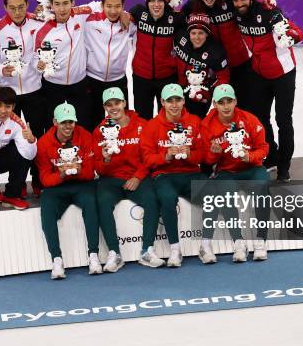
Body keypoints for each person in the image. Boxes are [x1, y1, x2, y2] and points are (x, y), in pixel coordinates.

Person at [229, 0, 303, 182]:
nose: (239, 3)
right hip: (259, 73)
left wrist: (290, 37)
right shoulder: (235, 13)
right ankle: (271, 156)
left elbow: (299, 32)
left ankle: (284, 166)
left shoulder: (268, 11)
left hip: (283, 74)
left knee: (283, 120)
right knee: (260, 119)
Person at [92, 87, 161, 270]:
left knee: (152, 199)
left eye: (117, 103)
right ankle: (114, 253)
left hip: (136, 177)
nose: (114, 108)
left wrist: (138, 177)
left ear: (124, 103)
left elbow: (149, 157)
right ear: (105, 107)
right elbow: (97, 168)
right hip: (111, 179)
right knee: (102, 202)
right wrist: (106, 159)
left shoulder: (142, 125)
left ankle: (147, 250)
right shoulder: (99, 131)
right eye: (109, 105)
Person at [200, 84, 270, 262]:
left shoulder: (249, 119)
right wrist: (214, 153)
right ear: (214, 104)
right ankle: (238, 242)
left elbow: (264, 147)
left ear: (235, 101)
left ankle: (261, 240)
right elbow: (207, 161)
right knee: (225, 191)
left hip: (251, 168)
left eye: (229, 101)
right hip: (227, 171)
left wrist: (251, 156)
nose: (226, 106)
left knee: (263, 186)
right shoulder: (207, 125)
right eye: (221, 102)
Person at [0, 0, 46, 197]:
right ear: (5, 7)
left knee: (36, 136)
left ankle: (39, 180)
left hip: (34, 89)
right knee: (14, 139)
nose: (17, 12)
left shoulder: (37, 22)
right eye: (12, 8)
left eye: (21, 7)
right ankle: (18, 181)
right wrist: (1, 69)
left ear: (27, 5)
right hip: (9, 94)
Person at [140, 83, 203, 267]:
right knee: (167, 199)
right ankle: (175, 249)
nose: (174, 105)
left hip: (191, 172)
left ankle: (206, 245)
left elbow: (203, 155)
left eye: (178, 100)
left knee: (213, 193)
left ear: (184, 101)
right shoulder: (151, 126)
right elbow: (147, 159)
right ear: (162, 102)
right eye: (170, 101)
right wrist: (165, 156)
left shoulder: (194, 121)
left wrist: (190, 154)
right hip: (164, 174)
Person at [36, 102, 100, 279]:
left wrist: (78, 171)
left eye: (71, 122)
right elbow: (45, 179)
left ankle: (93, 255)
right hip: (57, 186)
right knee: (47, 210)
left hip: (81, 184)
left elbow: (90, 173)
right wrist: (62, 175)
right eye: (64, 122)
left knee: (91, 204)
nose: (68, 126)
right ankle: (56, 259)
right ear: (55, 122)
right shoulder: (43, 143)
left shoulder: (85, 136)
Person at [181, 0, 252, 111]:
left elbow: (250, 6)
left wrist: (269, 8)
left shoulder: (229, 0)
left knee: (245, 108)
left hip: (240, 64)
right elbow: (178, 24)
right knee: (203, 109)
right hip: (211, 66)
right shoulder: (192, 6)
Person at [34, 0, 100, 132]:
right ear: (51, 5)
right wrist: (37, 64)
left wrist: (124, 14)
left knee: (84, 126)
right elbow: (33, 56)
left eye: (65, 3)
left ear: (73, 3)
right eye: (57, 4)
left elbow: (99, 4)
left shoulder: (80, 14)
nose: (62, 9)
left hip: (79, 84)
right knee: (52, 127)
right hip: (53, 86)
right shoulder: (43, 29)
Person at [128, 0, 185, 120]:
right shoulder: (139, 12)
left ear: (166, 2)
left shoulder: (176, 19)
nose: (156, 5)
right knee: (142, 118)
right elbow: (126, 16)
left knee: (167, 119)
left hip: (167, 77)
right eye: (152, 1)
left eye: (160, 1)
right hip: (141, 76)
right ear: (147, 3)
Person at [85, 0, 135, 127]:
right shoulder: (89, 18)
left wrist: (125, 14)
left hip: (118, 80)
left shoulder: (129, 21)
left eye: (118, 6)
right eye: (109, 6)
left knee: (124, 124)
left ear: (123, 6)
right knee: (93, 124)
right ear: (102, 5)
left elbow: (143, 14)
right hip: (93, 79)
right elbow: (68, 11)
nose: (113, 11)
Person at [173, 12, 230, 118]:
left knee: (196, 124)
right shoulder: (180, 37)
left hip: (199, 96)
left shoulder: (216, 51)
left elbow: (224, 78)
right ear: (188, 32)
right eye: (193, 33)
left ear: (207, 34)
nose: (197, 37)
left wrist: (208, 90)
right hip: (177, 90)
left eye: (201, 33)